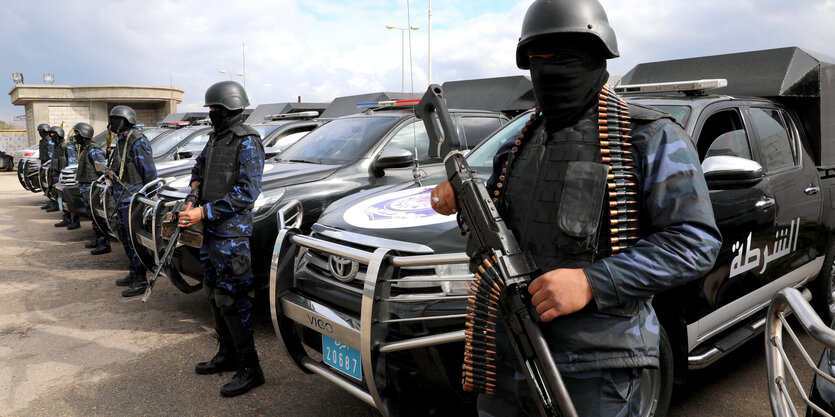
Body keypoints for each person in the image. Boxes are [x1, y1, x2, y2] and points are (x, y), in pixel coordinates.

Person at [430, 0, 722, 415]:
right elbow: (493, 235)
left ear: (597, 56)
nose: (549, 68)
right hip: (506, 355)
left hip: (597, 370)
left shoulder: (650, 136)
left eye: (565, 55)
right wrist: (459, 199)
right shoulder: (517, 145)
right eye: (537, 57)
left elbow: (693, 243)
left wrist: (592, 282)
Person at [177, 81, 266, 397]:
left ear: (228, 109)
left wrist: (202, 213)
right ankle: (227, 355)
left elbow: (247, 192)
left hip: (231, 237)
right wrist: (193, 194)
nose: (211, 114)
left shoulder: (248, 142)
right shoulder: (216, 139)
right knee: (213, 294)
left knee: (234, 300)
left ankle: (250, 368)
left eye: (214, 109)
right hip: (211, 235)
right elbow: (199, 169)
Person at [108, 105, 158, 297]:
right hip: (122, 198)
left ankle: (140, 280)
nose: (111, 122)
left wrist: (150, 200)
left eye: (114, 118)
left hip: (134, 200)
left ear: (125, 120)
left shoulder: (137, 141)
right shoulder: (121, 141)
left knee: (134, 241)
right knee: (125, 239)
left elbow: (150, 174)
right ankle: (134, 272)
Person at [73, 122, 111, 255]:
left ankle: (105, 243)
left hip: (92, 189)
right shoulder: (86, 148)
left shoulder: (94, 150)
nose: (75, 135)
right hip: (86, 189)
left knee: (97, 217)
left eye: (77, 133)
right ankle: (99, 240)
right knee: (92, 216)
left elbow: (102, 169)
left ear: (84, 133)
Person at [49, 126, 77, 226]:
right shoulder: (57, 146)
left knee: (69, 199)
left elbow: (72, 162)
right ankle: (67, 218)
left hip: (66, 177)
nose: (51, 136)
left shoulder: (67, 145)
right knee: (61, 198)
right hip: (58, 176)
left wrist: (69, 176)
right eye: (50, 134)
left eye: (53, 134)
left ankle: (75, 221)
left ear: (59, 134)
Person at [37, 123, 56, 211]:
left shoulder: (50, 141)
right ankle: (51, 201)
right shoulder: (42, 141)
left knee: (51, 184)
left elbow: (51, 156)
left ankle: (54, 203)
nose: (40, 132)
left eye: (42, 131)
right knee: (45, 185)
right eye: (39, 131)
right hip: (43, 165)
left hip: (49, 166)